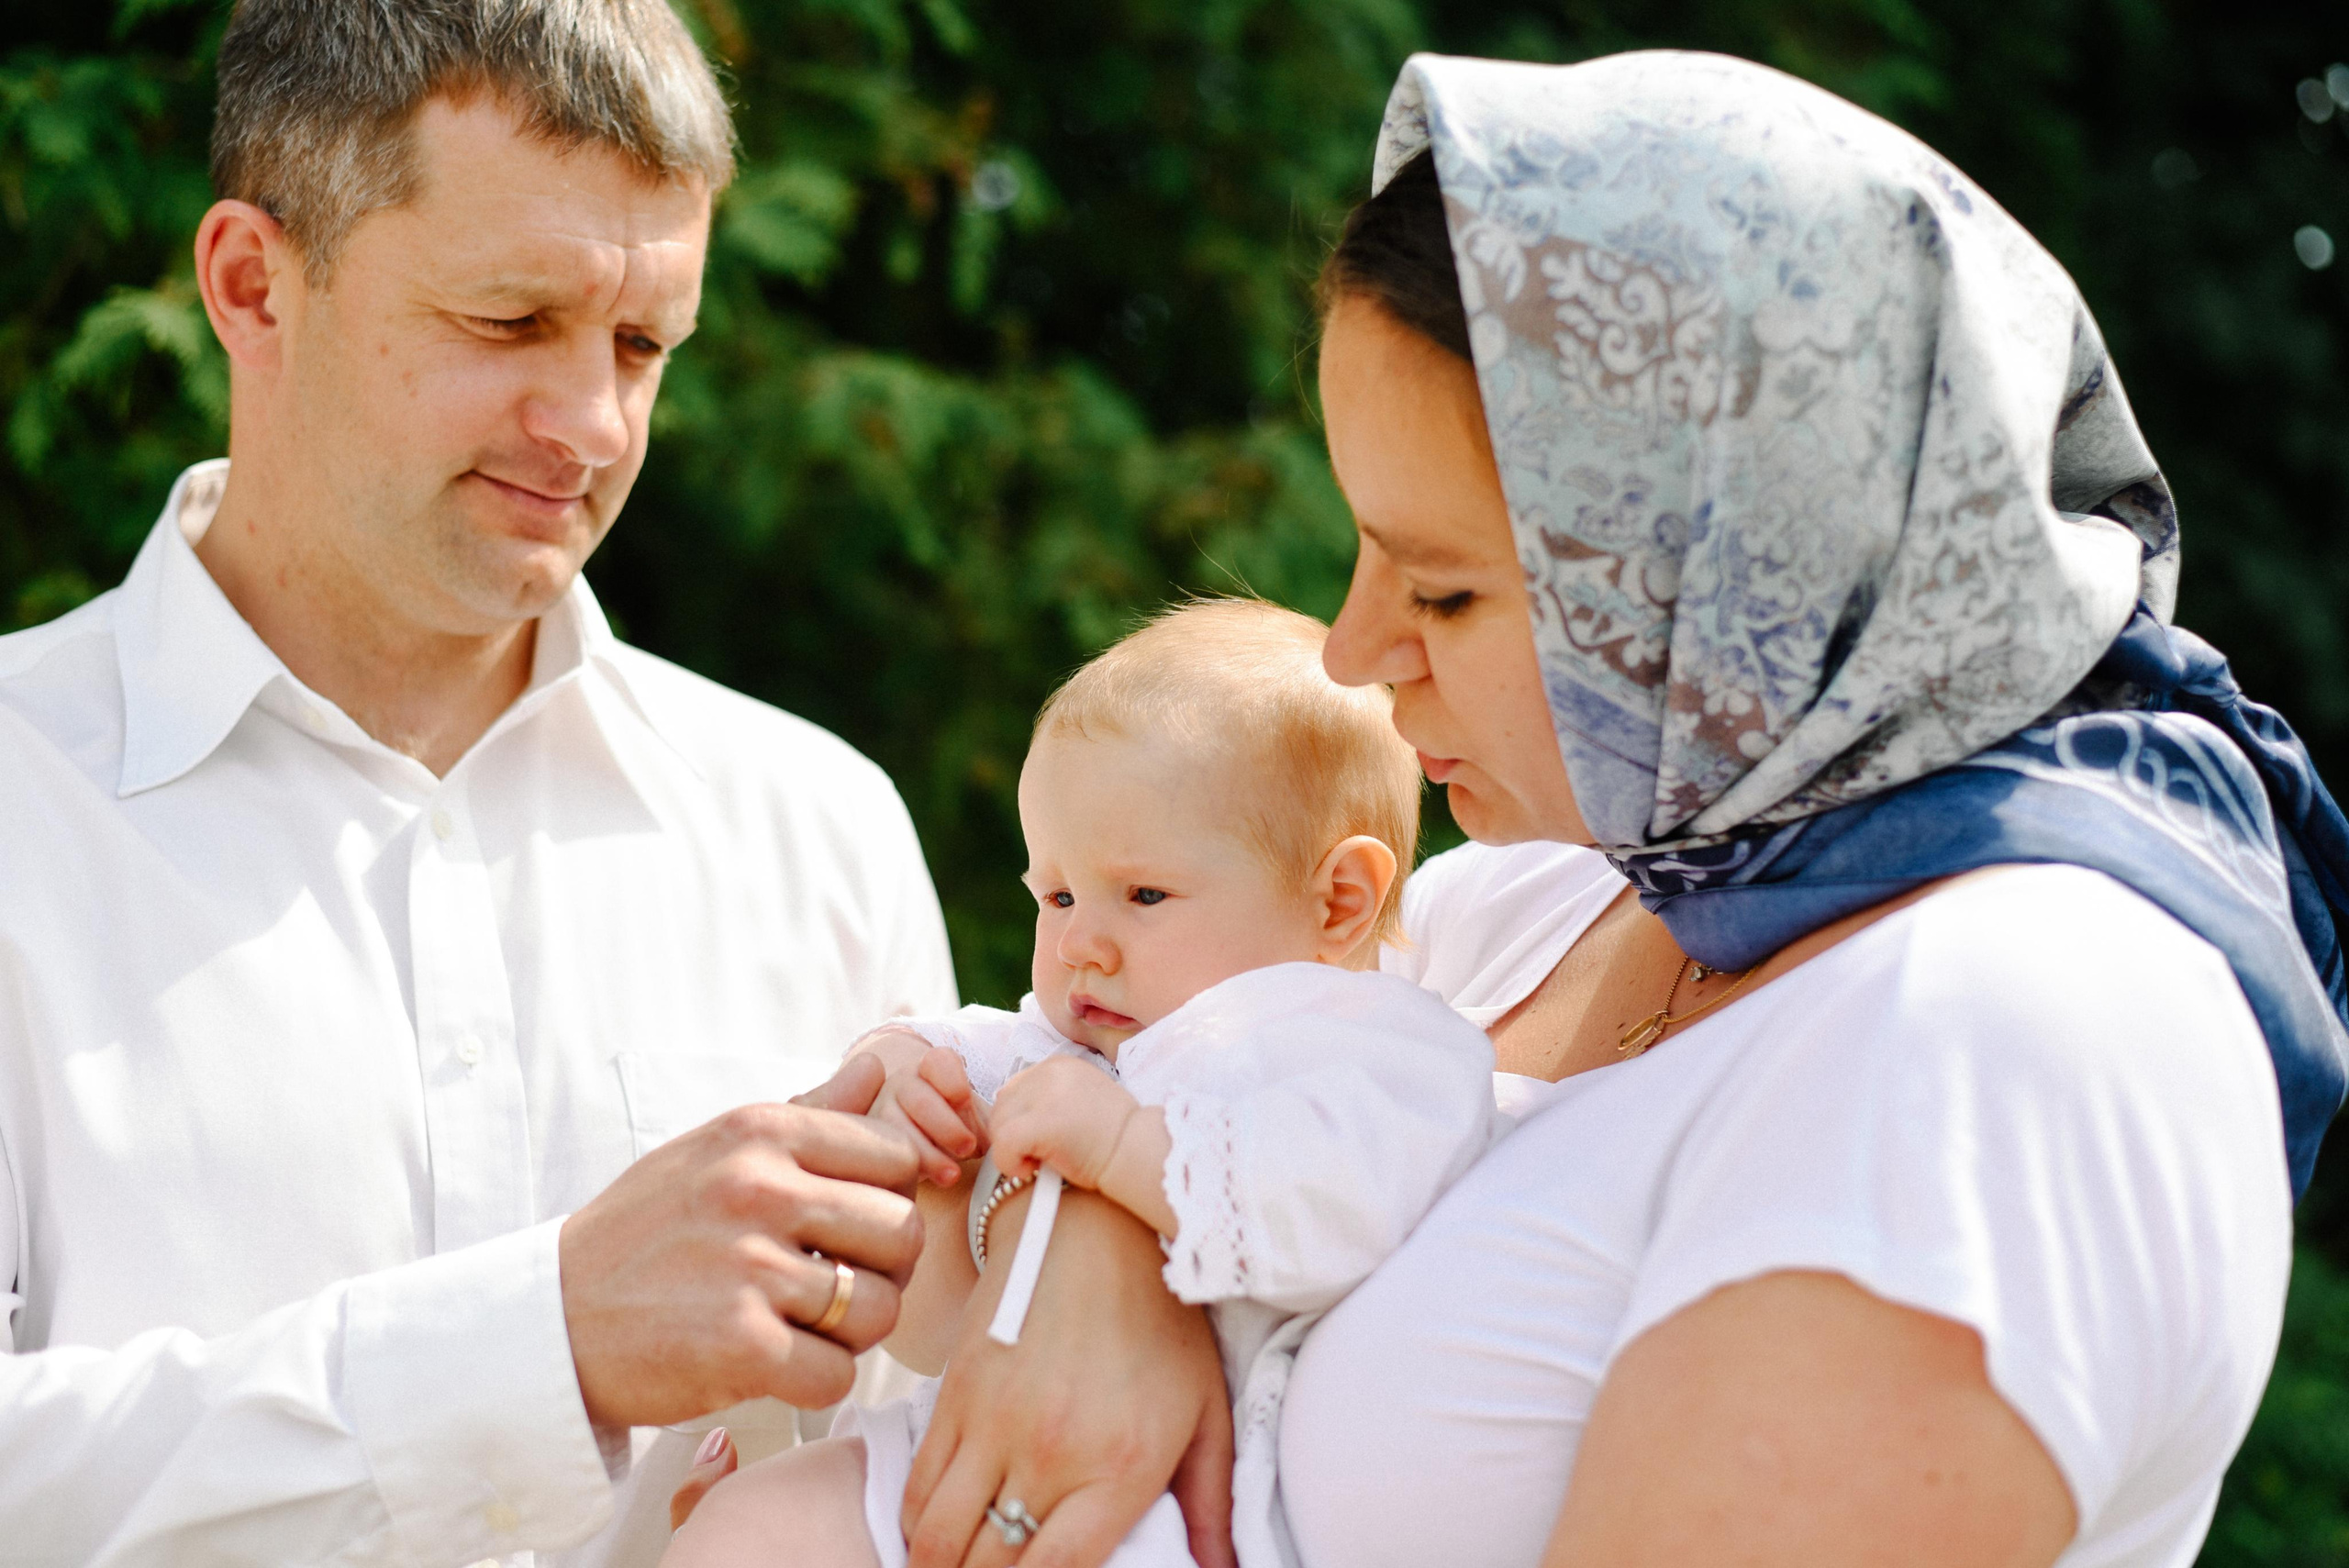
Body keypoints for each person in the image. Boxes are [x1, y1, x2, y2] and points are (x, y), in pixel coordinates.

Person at [836, 50, 2349, 1568]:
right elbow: (1212, 1076)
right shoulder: (1557, 894)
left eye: (1442, 584)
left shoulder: (2007, 1034)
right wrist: (1113, 1247)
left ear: (1739, 579)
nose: (1357, 652)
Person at [0, 2, 992, 1562]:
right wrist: (543, 1342)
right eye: (510, 319)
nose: (594, 424)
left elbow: (937, 1448)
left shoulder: (822, 830)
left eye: (642, 342)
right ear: (254, 283)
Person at [663, 600, 1499, 1568]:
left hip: (1182, 1501)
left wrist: (1121, 1147)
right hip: (969, 1443)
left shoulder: (1363, 1048)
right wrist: (903, 1086)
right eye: (1055, 894)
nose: (1078, 943)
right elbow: (946, 1060)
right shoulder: (1061, 1045)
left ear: (1338, 899)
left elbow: (1339, 1201)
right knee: (746, 1527)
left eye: (1141, 894)